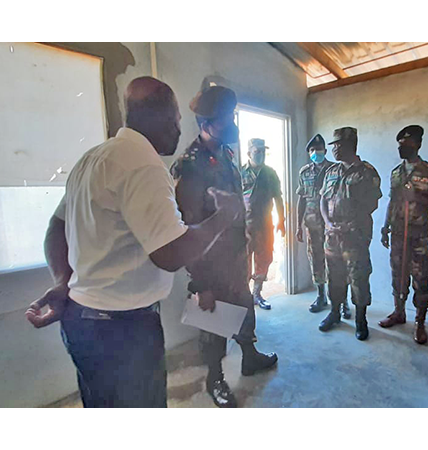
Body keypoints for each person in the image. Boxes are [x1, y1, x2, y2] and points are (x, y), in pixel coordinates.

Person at [25, 77, 245, 408]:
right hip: (123, 332)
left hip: (84, 321)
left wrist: (63, 281)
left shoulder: (93, 158)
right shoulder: (145, 165)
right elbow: (171, 253)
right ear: (161, 117)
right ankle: (215, 377)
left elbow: (56, 228)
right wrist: (224, 216)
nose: (178, 128)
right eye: (176, 119)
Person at [170, 86, 278, 408]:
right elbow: (188, 228)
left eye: (232, 115)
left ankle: (250, 356)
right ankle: (214, 379)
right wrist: (200, 283)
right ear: (206, 124)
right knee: (213, 325)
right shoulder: (190, 166)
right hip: (210, 265)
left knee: (244, 308)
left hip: (235, 257)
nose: (232, 122)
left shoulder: (226, 154)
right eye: (225, 118)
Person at [379, 125, 428, 345]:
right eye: (400, 145)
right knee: (398, 275)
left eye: (406, 144)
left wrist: (417, 197)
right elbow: (392, 201)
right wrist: (385, 226)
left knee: (421, 277)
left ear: (417, 145)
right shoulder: (396, 172)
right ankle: (399, 312)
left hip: (419, 235)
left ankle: (420, 321)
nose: (401, 149)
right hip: (398, 233)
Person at [318, 127, 382, 340]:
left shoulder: (367, 172)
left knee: (358, 278)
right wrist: (328, 222)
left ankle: (361, 320)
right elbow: (323, 199)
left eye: (338, 145)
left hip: (355, 236)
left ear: (350, 146)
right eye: (333, 145)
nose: (334, 149)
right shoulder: (331, 171)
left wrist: (349, 224)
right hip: (332, 236)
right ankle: (335, 313)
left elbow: (371, 204)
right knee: (334, 276)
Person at [295, 134, 350, 318]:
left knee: (338, 263)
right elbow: (301, 200)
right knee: (316, 260)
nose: (315, 152)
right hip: (312, 225)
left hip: (332, 225)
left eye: (318, 149)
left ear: (325, 151)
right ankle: (321, 296)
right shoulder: (304, 172)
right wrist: (298, 225)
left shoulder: (335, 170)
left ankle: (343, 302)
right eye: (312, 150)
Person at [241, 138, 286, 310]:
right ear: (249, 153)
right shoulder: (240, 173)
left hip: (265, 224)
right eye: (256, 151)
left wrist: (281, 220)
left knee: (264, 259)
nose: (260, 154)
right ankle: (245, 296)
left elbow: (278, 198)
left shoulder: (270, 174)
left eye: (262, 151)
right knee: (244, 261)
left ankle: (257, 294)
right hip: (244, 226)